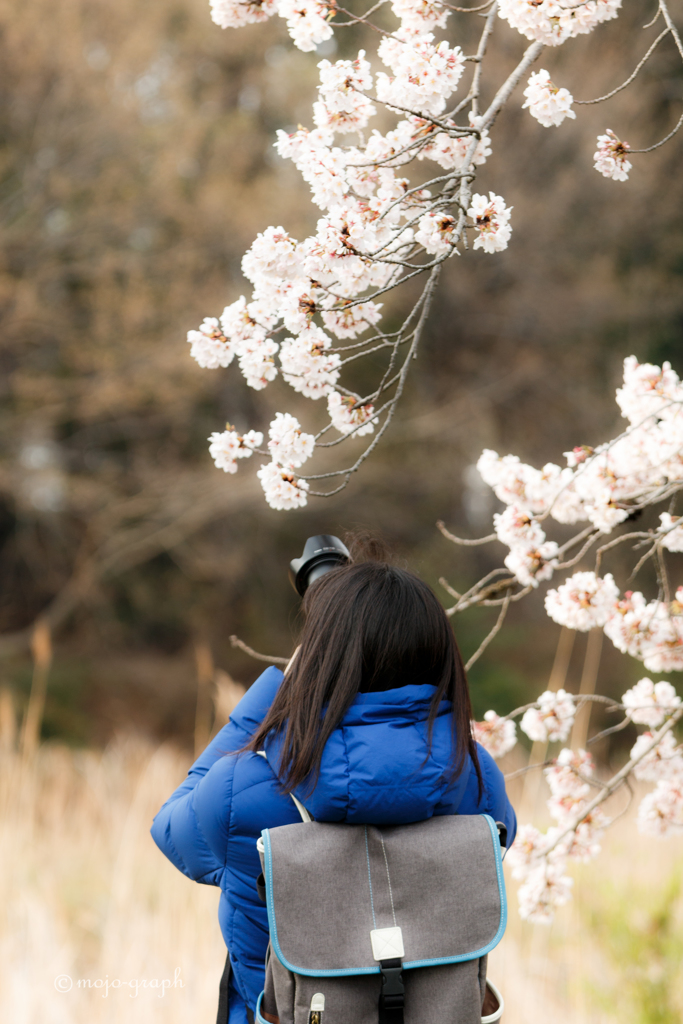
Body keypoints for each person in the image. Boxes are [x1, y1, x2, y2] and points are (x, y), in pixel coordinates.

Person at [151, 557, 517, 1024]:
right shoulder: (476, 778)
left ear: (317, 660)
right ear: (439, 656)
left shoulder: (240, 787)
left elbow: (169, 827)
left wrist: (279, 692)